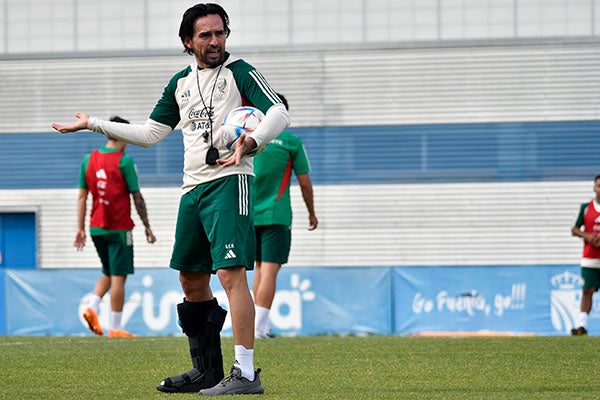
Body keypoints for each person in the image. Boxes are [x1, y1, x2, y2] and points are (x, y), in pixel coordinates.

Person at [52, 3, 290, 396]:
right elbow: (149, 133)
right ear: (187, 41)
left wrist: (251, 140)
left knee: (231, 275)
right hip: (192, 189)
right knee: (191, 278)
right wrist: (92, 123)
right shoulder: (180, 83)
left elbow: (279, 113)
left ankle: (245, 373)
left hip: (230, 183)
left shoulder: (241, 73)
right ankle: (207, 371)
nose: (215, 41)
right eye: (206, 35)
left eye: (220, 33)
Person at [77, 116, 156, 339]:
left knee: (108, 272)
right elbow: (137, 197)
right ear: (122, 134)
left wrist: (80, 228)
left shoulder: (88, 159)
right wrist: (147, 226)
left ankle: (92, 306)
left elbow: (82, 196)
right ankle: (115, 327)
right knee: (119, 276)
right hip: (119, 227)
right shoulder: (124, 161)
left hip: (95, 228)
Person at [252, 93, 318, 339]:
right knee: (269, 270)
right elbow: (304, 182)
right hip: (276, 215)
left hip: (249, 215)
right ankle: (257, 326)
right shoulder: (291, 142)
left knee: (259, 269)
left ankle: (262, 324)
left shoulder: (251, 140)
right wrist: (311, 212)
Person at [571, 174, 600, 336]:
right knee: (587, 291)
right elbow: (574, 229)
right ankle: (582, 326)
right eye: (599, 186)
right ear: (594, 188)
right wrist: (588, 236)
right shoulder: (586, 208)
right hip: (590, 258)